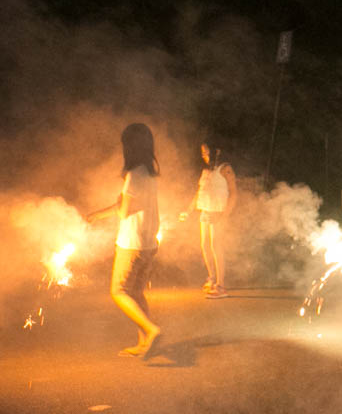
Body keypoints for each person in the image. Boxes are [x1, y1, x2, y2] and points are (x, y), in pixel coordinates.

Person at [86, 123, 162, 358]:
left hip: (132, 242)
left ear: (129, 147)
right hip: (149, 242)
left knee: (118, 291)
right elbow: (128, 207)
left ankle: (151, 331)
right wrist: (99, 214)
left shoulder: (133, 175)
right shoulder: (149, 174)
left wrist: (111, 206)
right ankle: (143, 343)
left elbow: (123, 211)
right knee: (137, 292)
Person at [180, 139, 237, 299]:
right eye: (202, 153)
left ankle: (221, 285)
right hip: (205, 211)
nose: (204, 155)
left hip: (218, 212)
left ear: (216, 151)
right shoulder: (206, 172)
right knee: (205, 245)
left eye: (206, 152)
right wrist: (188, 210)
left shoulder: (225, 169)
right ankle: (211, 277)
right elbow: (199, 192)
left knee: (216, 246)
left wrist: (225, 215)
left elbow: (233, 193)